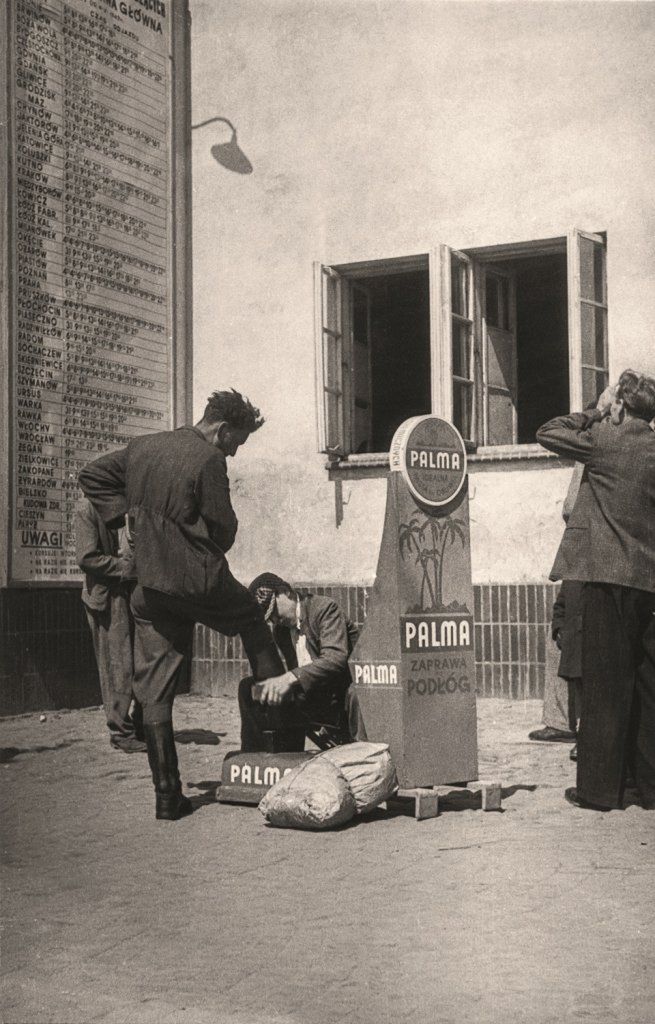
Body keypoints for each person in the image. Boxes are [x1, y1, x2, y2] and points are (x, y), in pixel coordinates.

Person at [78, 390, 285, 821]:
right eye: (237, 441)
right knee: (252, 618)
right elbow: (224, 525)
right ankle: (276, 741)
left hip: (149, 589)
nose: (235, 450)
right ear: (222, 429)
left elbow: (92, 475)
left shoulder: (142, 447)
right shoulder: (210, 461)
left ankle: (168, 796)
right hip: (198, 580)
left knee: (154, 688)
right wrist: (203, 547)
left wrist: (127, 521)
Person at [537, 369, 655, 811]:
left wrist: (596, 410)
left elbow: (548, 431)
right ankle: (650, 788)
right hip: (649, 584)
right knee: (648, 686)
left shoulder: (605, 439)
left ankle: (598, 791)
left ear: (621, 405)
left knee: (605, 685)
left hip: (607, 579)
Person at [238, 573, 367, 752]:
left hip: (341, 695)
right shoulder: (281, 630)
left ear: (286, 592)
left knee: (357, 692)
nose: (273, 619)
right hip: (313, 695)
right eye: (269, 617)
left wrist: (290, 678)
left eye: (273, 610)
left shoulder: (324, 609)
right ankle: (260, 757)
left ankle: (361, 756)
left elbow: (335, 659)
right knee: (250, 688)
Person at [75, 498, 145, 753]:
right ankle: (121, 732)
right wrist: (126, 567)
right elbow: (86, 557)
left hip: (132, 594)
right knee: (117, 666)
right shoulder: (87, 509)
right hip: (106, 598)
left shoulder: (131, 507)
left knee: (135, 663)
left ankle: (136, 725)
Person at [529, 465, 584, 750]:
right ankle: (561, 722)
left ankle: (591, 732)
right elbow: (571, 507)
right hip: (586, 550)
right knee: (558, 635)